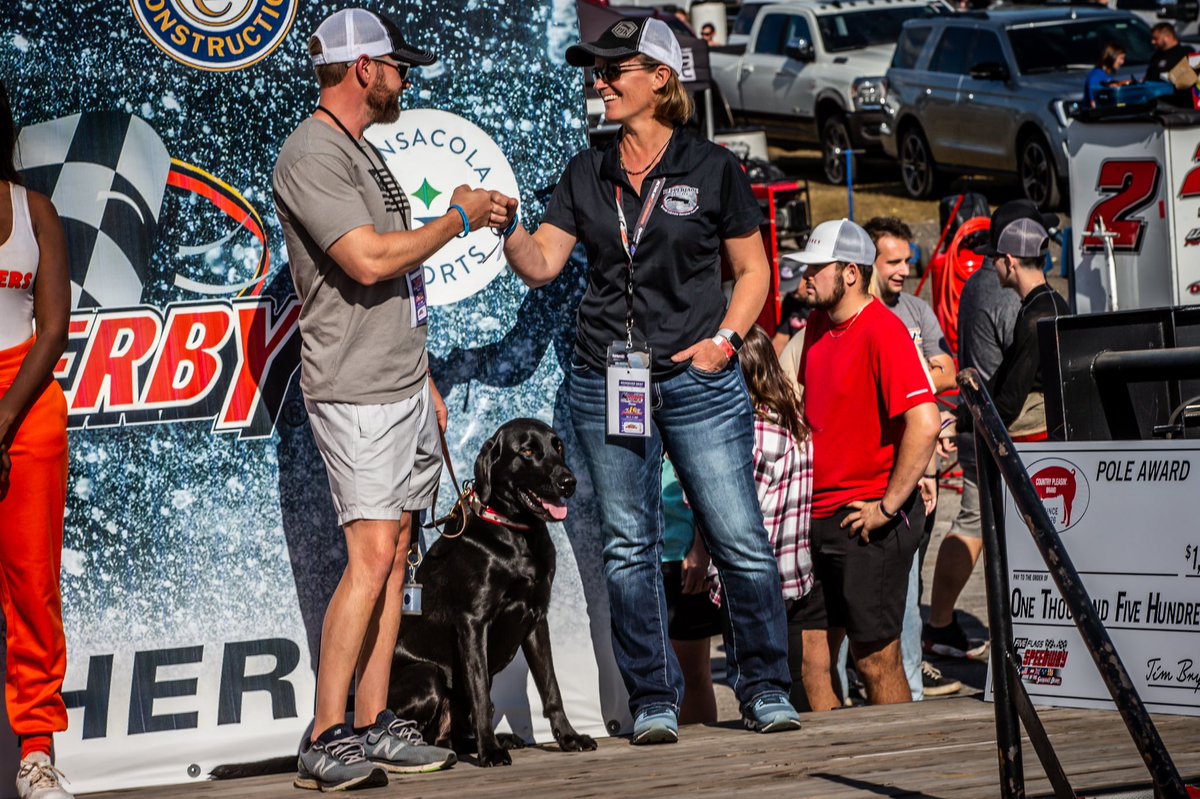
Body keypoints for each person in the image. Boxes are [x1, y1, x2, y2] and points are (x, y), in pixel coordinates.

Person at [500, 17, 802, 743]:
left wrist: (724, 342)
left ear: (661, 80)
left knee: (738, 538)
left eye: (614, 69)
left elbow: (755, 271)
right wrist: (506, 226)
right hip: (609, 376)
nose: (598, 81)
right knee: (629, 545)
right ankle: (653, 699)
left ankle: (764, 686)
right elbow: (542, 263)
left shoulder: (712, 168)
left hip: (697, 378)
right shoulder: (586, 170)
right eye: (595, 70)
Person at [271, 8, 510, 791]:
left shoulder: (359, 150)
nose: (406, 77)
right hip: (357, 391)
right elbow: (370, 261)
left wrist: (426, 379)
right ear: (363, 69)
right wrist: (458, 218)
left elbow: (401, 288)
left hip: (400, 384)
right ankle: (325, 734)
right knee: (371, 558)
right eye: (396, 65)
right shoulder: (310, 153)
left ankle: (374, 724)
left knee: (399, 554)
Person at [792, 218, 941, 706]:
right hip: (814, 521)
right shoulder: (815, 325)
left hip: (867, 522)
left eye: (817, 269)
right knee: (811, 659)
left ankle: (899, 762)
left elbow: (925, 421)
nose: (804, 278)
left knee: (875, 660)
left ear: (851, 273)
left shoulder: (883, 330)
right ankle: (837, 769)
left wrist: (888, 504)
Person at [0, 79, 74, 799]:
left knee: (31, 585)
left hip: (25, 404)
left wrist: (1, 421)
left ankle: (36, 754)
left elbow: (52, 328)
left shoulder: (36, 210)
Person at [862, 216, 961, 700]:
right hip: (876, 470)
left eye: (908, 260)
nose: (903, 270)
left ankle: (910, 675)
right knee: (867, 581)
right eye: (893, 262)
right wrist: (921, 372)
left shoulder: (918, 310)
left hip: (923, 468)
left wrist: (910, 372)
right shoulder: (860, 315)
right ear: (868, 263)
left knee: (910, 577)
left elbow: (949, 373)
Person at [923, 221, 1022, 661]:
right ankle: (942, 625)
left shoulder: (977, 284)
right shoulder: (1001, 290)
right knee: (975, 525)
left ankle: (941, 623)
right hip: (999, 426)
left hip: (977, 419)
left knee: (972, 524)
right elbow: (1024, 353)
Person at [735, 325, 836, 712]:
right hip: (800, 569)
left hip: (761, 577)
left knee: (761, 682)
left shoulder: (754, 431)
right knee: (809, 674)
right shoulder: (794, 418)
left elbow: (744, 510)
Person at [983, 201, 1069, 438]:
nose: (992, 263)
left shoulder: (1037, 316)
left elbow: (1010, 401)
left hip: (1039, 442)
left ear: (1010, 261)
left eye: (995, 257)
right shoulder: (1046, 303)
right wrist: (963, 412)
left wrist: (965, 423)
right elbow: (1003, 373)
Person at [659, 459, 719, 724]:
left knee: (689, 675)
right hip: (638, 561)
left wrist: (701, 548)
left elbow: (708, 480)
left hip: (683, 560)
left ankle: (702, 755)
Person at [1084, 44, 1130, 108]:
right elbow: (1094, 104)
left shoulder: (1106, 76)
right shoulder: (1096, 76)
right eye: (1121, 58)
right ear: (1111, 57)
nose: (1122, 62)